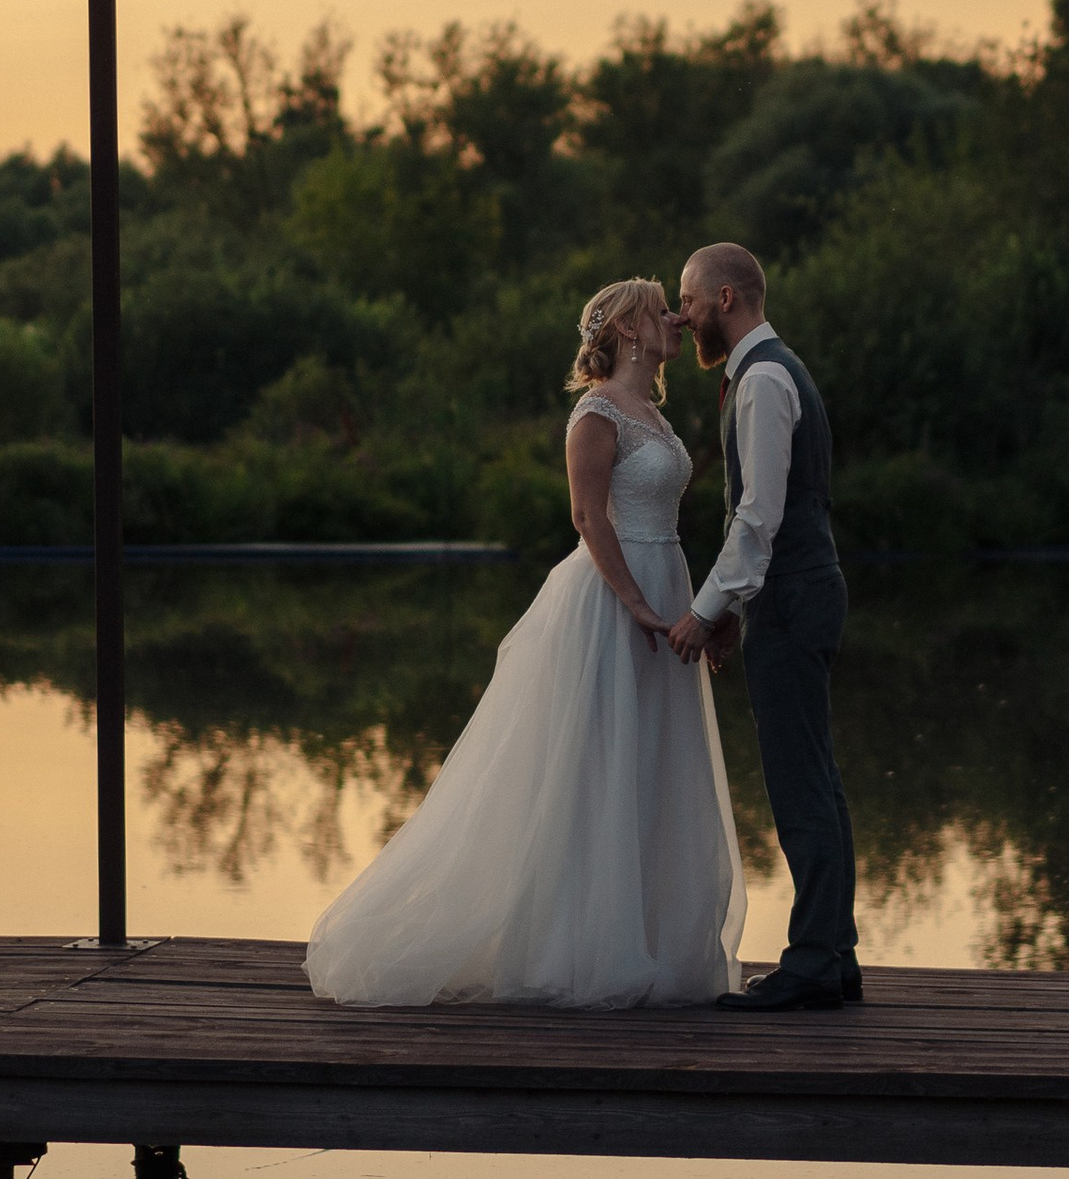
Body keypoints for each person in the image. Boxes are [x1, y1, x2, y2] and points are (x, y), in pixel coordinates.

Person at [304, 276, 744, 1007]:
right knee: (591, 765)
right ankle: (577, 949)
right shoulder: (596, 412)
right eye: (659, 309)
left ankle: (643, 936)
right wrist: (633, 602)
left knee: (648, 761)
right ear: (630, 331)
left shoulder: (655, 417)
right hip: (611, 600)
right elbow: (586, 516)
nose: (674, 317)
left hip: (667, 587)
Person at [665, 242, 861, 1011]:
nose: (681, 315)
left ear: (723, 299)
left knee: (801, 784)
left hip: (795, 595)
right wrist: (734, 617)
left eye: (686, 299)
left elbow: (758, 520)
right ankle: (833, 956)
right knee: (816, 781)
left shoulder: (765, 379)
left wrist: (704, 611)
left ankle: (815, 960)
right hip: (788, 598)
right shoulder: (761, 373)